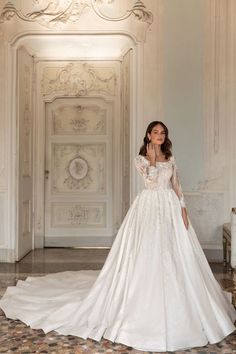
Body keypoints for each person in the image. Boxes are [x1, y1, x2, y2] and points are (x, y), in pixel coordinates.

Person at [0, 121, 235, 352]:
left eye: (163, 132)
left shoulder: (171, 158)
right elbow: (151, 181)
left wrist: (183, 209)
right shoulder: (140, 159)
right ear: (148, 135)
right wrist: (152, 158)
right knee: (147, 250)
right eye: (156, 132)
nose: (160, 135)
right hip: (149, 206)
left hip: (171, 208)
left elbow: (176, 184)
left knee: (176, 253)